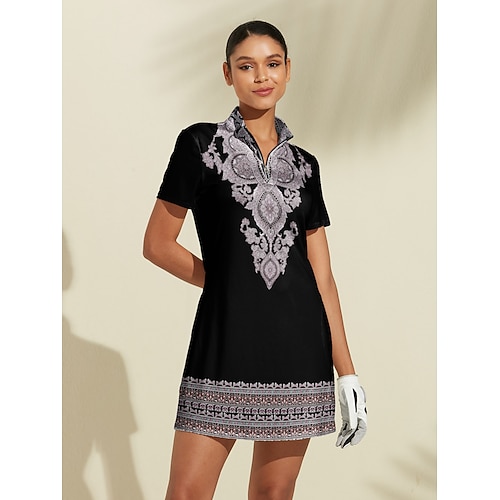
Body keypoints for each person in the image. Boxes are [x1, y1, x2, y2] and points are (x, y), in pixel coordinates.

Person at [143, 20, 367, 500]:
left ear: (288, 70)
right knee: (186, 493)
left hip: (299, 347)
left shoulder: (305, 166)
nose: (261, 76)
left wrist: (346, 371)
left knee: (272, 494)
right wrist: (225, 283)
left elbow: (322, 277)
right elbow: (158, 244)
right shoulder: (200, 145)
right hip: (224, 341)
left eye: (272, 64)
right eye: (246, 66)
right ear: (227, 74)